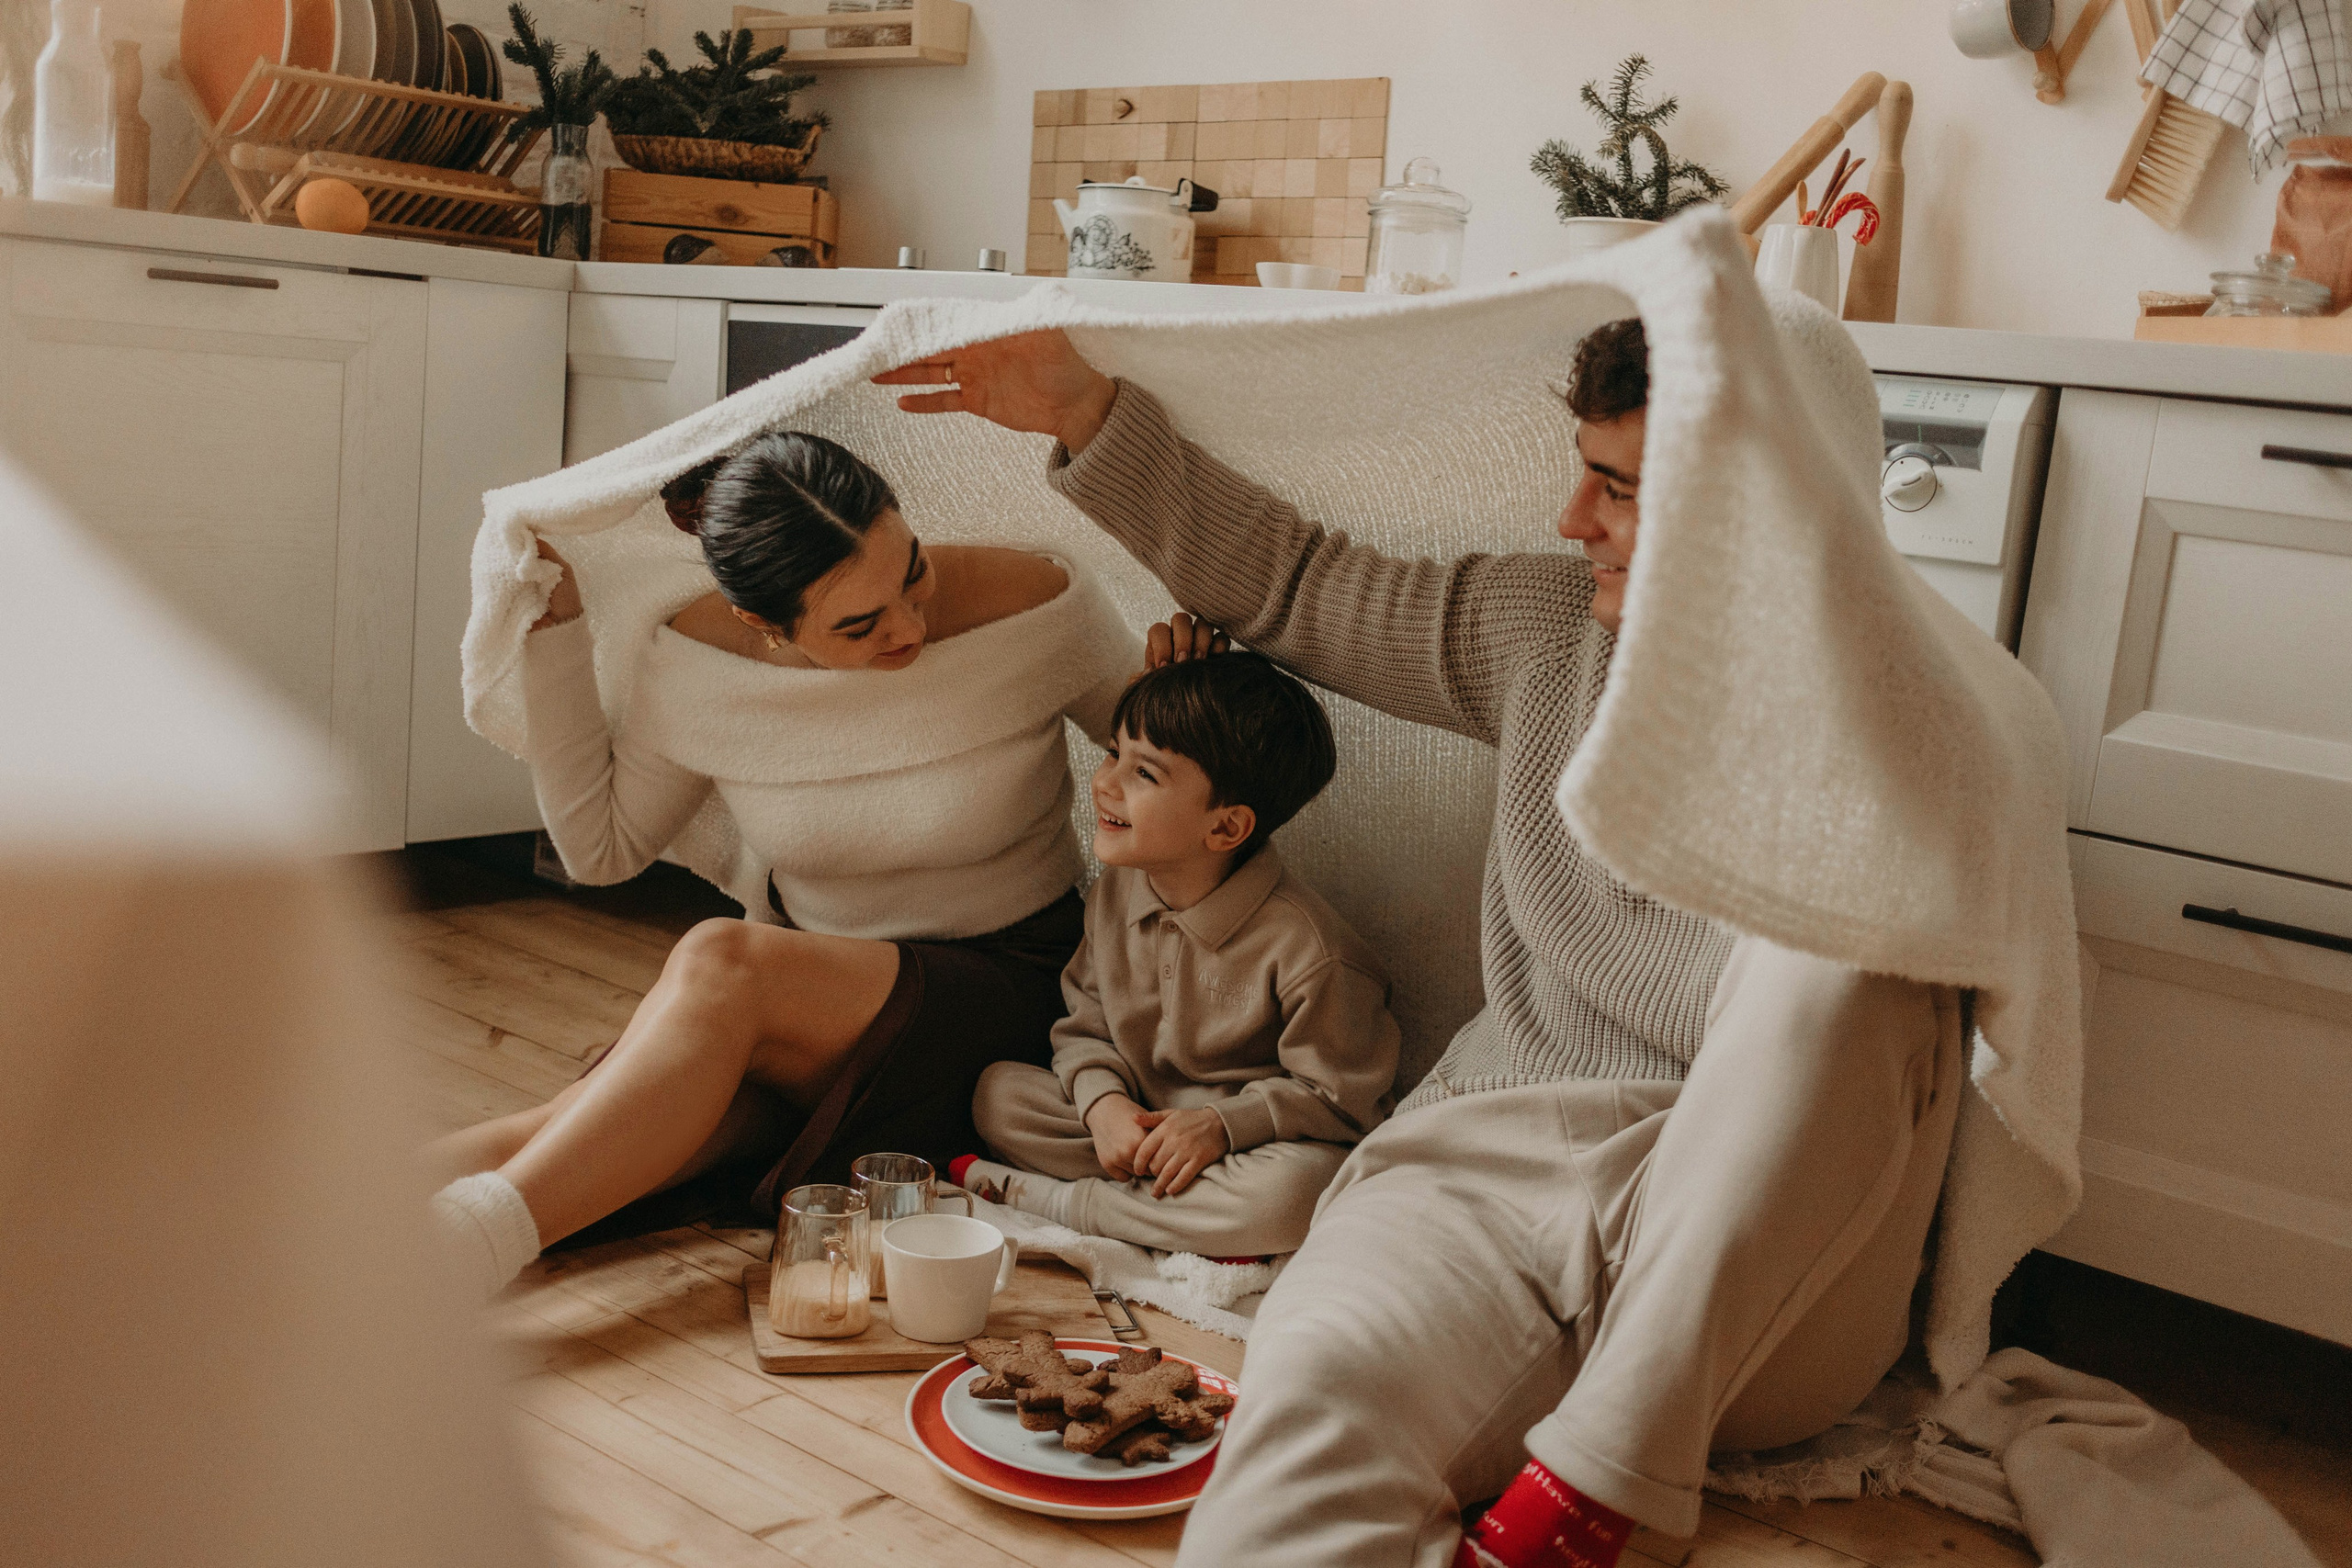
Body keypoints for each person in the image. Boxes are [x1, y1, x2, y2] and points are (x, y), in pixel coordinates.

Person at [876, 320, 1965, 1567]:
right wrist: (1090, 416)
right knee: (1303, 1416)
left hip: (1774, 1273)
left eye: (1617, 487)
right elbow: (1300, 579)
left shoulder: (1917, 720)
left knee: (1846, 961)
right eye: (1582, 469)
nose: (1571, 517)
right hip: (1492, 1181)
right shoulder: (1549, 626)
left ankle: (1603, 1486)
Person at [423, 430, 1142, 1298]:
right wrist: (557, 637)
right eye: (858, 624)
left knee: (721, 961)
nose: (909, 626)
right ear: (761, 623)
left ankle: (463, 1253)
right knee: (563, 1130)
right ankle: (283, 1236)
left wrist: (1187, 690)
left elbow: (1177, 765)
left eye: (911, 570)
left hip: (1010, 993)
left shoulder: (1033, 599)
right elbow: (602, 852)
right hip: (809, 1013)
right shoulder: (698, 662)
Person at [956, 651, 1403, 1259]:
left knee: (1299, 1192)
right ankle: (1165, 1212)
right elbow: (1084, 1025)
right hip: (1136, 1127)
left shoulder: (1313, 952)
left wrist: (1223, 1126)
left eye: (1145, 774)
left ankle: (1066, 1204)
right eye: (1115, 751)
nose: (1105, 782)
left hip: (1238, 1149)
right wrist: (1103, 1104)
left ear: (1225, 829)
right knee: (999, 1093)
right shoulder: (1117, 889)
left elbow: (1342, 1099)